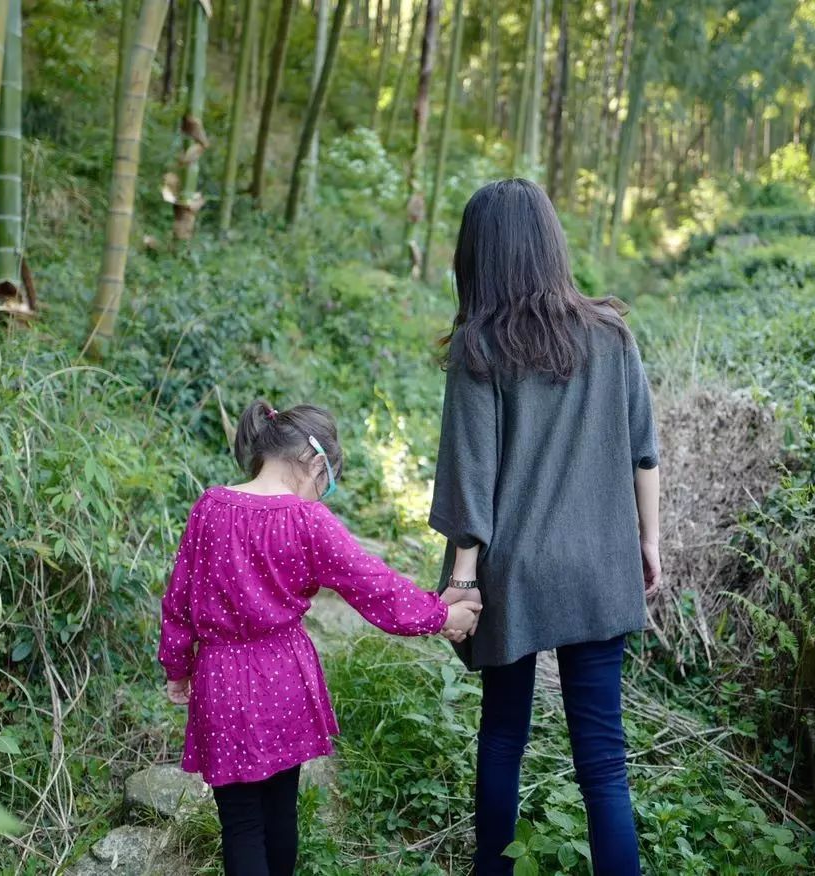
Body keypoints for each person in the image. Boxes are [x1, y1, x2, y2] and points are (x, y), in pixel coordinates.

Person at [430, 179, 661, 876]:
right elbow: (643, 449)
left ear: (480, 256)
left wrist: (462, 585)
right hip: (600, 563)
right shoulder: (613, 333)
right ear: (551, 245)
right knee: (603, 758)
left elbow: (471, 480)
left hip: (516, 574)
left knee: (503, 737)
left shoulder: (480, 348)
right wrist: (649, 544)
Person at [158, 401, 480, 876]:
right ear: (313, 463)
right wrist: (442, 613)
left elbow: (178, 599)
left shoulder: (209, 507)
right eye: (323, 484)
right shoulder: (307, 522)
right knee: (280, 810)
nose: (319, 496)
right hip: (282, 676)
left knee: (241, 824)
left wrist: (178, 668)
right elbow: (374, 586)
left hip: (220, 678)